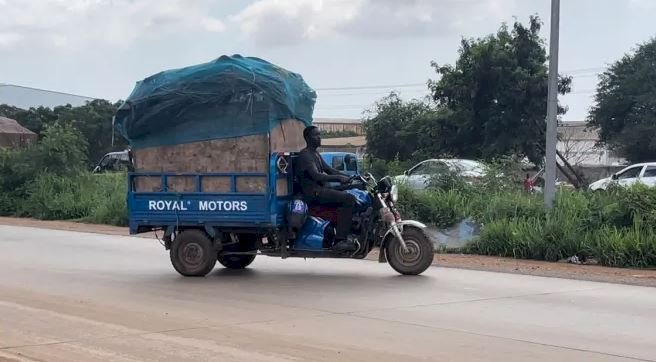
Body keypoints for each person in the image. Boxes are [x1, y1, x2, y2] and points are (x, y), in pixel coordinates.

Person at [297, 126, 358, 251]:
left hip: (321, 190)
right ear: (308, 138)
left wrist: (352, 177)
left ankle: (348, 229)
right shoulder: (305, 155)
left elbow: (329, 170)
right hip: (314, 193)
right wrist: (339, 179)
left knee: (351, 190)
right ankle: (340, 240)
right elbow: (316, 175)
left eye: (320, 135)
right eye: (316, 135)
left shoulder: (315, 153)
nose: (320, 138)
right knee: (349, 199)